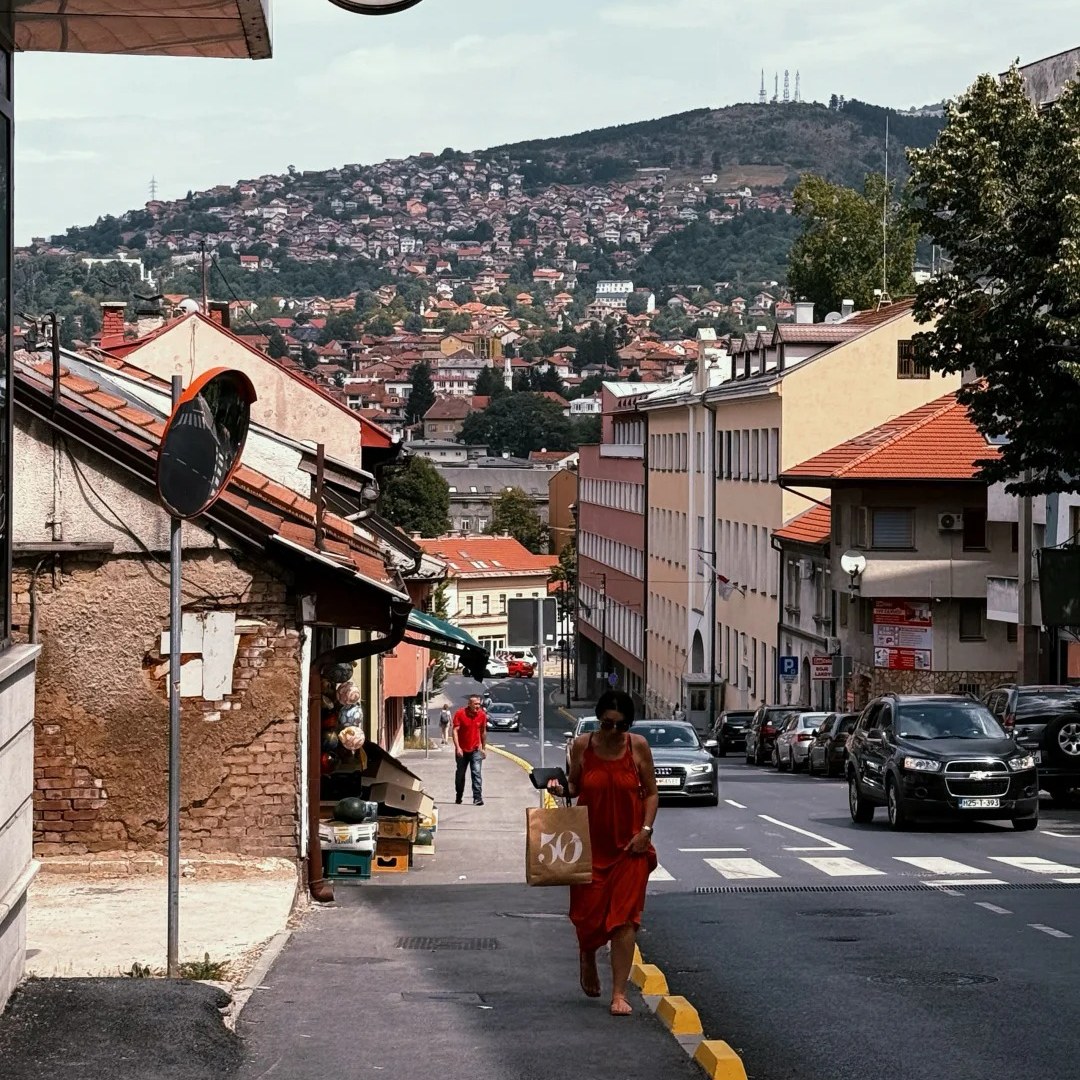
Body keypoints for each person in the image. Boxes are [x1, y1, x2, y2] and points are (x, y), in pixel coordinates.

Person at [549, 689, 658, 1017]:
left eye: (620, 726)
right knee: (587, 917)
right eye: (607, 724)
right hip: (589, 846)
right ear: (599, 721)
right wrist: (560, 788)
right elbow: (575, 786)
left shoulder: (637, 747)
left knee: (626, 922)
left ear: (629, 725)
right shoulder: (583, 745)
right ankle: (587, 956)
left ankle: (619, 994)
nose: (613, 731)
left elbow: (651, 793)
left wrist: (645, 832)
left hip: (630, 848)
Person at [452, 694, 488, 805]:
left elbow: (483, 732)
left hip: (476, 749)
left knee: (476, 773)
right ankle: (459, 795)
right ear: (469, 704)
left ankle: (477, 798)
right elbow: (455, 731)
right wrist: (457, 747)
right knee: (460, 775)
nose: (478, 706)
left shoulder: (482, 715)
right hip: (462, 750)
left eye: (479, 704)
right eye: (475, 704)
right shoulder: (460, 713)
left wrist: (484, 748)